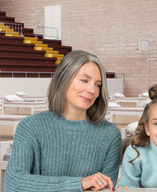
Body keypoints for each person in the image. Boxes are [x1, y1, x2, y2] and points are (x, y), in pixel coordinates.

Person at [4, 50, 121, 192]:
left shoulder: (110, 134)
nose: (92, 90)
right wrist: (80, 184)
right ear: (63, 79)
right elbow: (14, 183)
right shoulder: (30, 126)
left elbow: (106, 188)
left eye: (98, 84)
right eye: (84, 80)